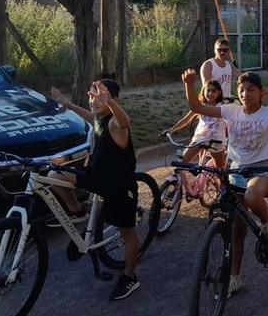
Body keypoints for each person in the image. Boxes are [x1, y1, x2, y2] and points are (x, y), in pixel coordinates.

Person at [181, 69, 268, 298]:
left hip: (262, 169)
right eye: (241, 90)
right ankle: (234, 278)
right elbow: (198, 108)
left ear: (261, 92)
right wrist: (189, 85)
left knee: (251, 196)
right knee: (238, 228)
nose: (245, 94)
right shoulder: (230, 110)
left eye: (251, 89)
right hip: (236, 171)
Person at [47, 79, 141, 301]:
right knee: (53, 175)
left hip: (119, 186)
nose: (93, 100)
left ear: (112, 99)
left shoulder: (116, 124)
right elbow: (89, 117)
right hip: (97, 176)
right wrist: (66, 103)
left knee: (126, 232)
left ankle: (130, 276)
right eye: (92, 96)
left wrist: (110, 103)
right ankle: (78, 211)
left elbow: (125, 121)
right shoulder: (100, 119)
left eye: (100, 96)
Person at [163, 80, 227, 193]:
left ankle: (224, 192)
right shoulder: (199, 106)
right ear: (203, 91)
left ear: (219, 93)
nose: (210, 93)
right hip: (200, 139)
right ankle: (179, 183)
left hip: (216, 142)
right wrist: (172, 129)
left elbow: (232, 123)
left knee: (220, 170)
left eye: (213, 91)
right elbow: (186, 120)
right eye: (208, 90)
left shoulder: (222, 108)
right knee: (182, 162)